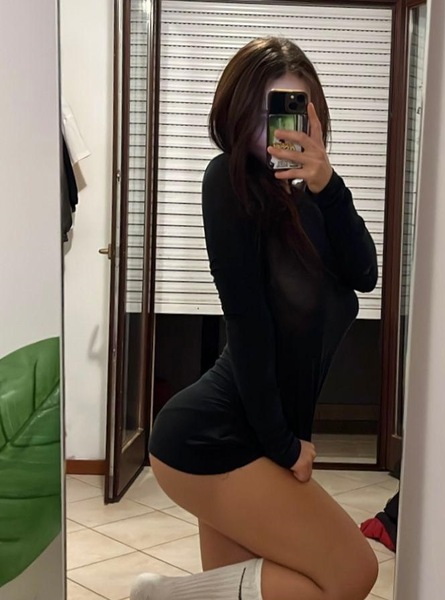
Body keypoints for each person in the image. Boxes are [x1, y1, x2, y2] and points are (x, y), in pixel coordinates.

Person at [131, 37, 379, 600]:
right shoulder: (228, 182)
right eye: (266, 111)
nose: (277, 129)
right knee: (352, 572)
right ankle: (164, 596)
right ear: (238, 114)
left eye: (292, 110)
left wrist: (326, 182)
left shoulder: (315, 198)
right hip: (215, 433)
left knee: (241, 593)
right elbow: (246, 324)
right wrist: (285, 445)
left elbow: (364, 273)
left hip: (260, 430)